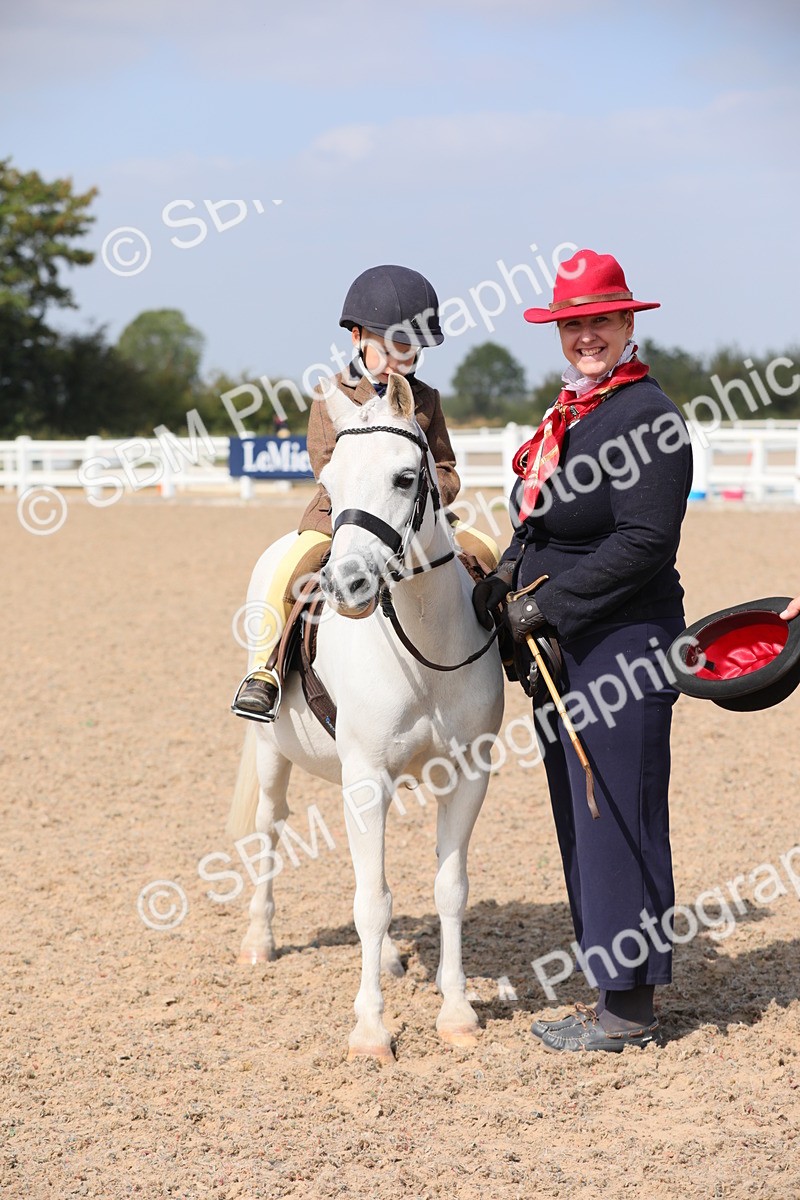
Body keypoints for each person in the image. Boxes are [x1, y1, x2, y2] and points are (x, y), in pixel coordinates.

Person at [474, 249, 693, 1052]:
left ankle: (628, 1012)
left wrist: (546, 601)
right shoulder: (571, 412)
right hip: (563, 651)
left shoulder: (646, 417)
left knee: (616, 816)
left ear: (628, 322)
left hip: (623, 647)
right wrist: (503, 575)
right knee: (581, 817)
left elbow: (645, 540)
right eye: (573, 324)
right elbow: (537, 521)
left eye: (599, 320)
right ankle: (611, 990)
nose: (586, 335)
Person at [232, 264, 498, 721]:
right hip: (341, 515)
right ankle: (267, 669)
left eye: (412, 348)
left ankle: (506, 654)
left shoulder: (426, 399)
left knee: (486, 549)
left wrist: (431, 485)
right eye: (395, 345)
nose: (404, 358)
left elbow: (447, 469)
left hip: (413, 515)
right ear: (358, 336)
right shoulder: (332, 394)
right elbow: (325, 463)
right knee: (291, 570)